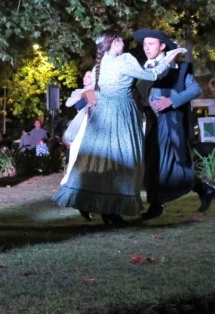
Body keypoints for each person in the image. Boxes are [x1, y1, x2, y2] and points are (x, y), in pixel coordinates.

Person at [52, 29, 187, 225]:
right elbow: (151, 75)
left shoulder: (102, 63)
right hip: (121, 114)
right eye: (120, 40)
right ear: (114, 42)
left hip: (103, 115)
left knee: (104, 162)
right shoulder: (124, 59)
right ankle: (112, 211)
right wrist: (168, 59)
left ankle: (101, 208)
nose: (124, 42)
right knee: (123, 160)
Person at [133, 29, 215, 218]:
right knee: (153, 164)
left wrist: (171, 101)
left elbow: (194, 89)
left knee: (172, 163)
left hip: (170, 122)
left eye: (151, 44)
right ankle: (159, 203)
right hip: (152, 122)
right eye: (144, 44)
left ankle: (198, 190)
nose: (146, 48)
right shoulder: (143, 68)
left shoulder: (180, 68)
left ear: (162, 46)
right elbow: (140, 93)